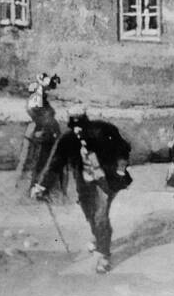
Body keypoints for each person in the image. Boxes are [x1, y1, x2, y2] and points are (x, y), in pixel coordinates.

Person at [32, 107, 132, 274]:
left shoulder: (104, 131)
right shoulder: (67, 139)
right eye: (75, 127)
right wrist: (41, 185)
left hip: (106, 180)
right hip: (85, 182)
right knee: (90, 213)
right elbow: (55, 163)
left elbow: (123, 147)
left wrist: (121, 166)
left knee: (101, 214)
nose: (79, 131)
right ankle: (98, 236)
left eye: (82, 127)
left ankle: (103, 254)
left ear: (88, 124)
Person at [17, 72, 62, 194]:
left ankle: (36, 188)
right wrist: (44, 124)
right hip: (39, 134)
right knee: (37, 163)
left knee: (40, 163)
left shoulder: (41, 99)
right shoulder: (36, 98)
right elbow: (33, 111)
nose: (48, 91)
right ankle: (31, 189)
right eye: (47, 89)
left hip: (42, 134)